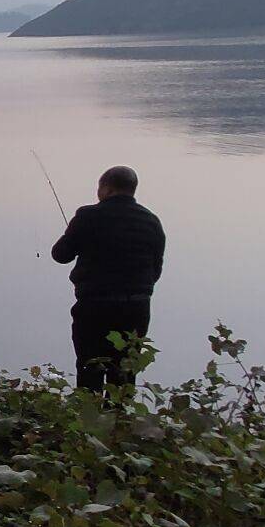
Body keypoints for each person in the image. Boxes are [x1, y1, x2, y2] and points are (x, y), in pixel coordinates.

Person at [50, 164, 165, 392]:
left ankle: (89, 421)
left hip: (95, 306)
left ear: (107, 189)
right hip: (137, 308)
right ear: (132, 189)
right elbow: (156, 271)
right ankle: (120, 422)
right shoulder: (152, 222)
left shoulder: (88, 216)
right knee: (124, 371)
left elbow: (60, 255)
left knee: (90, 366)